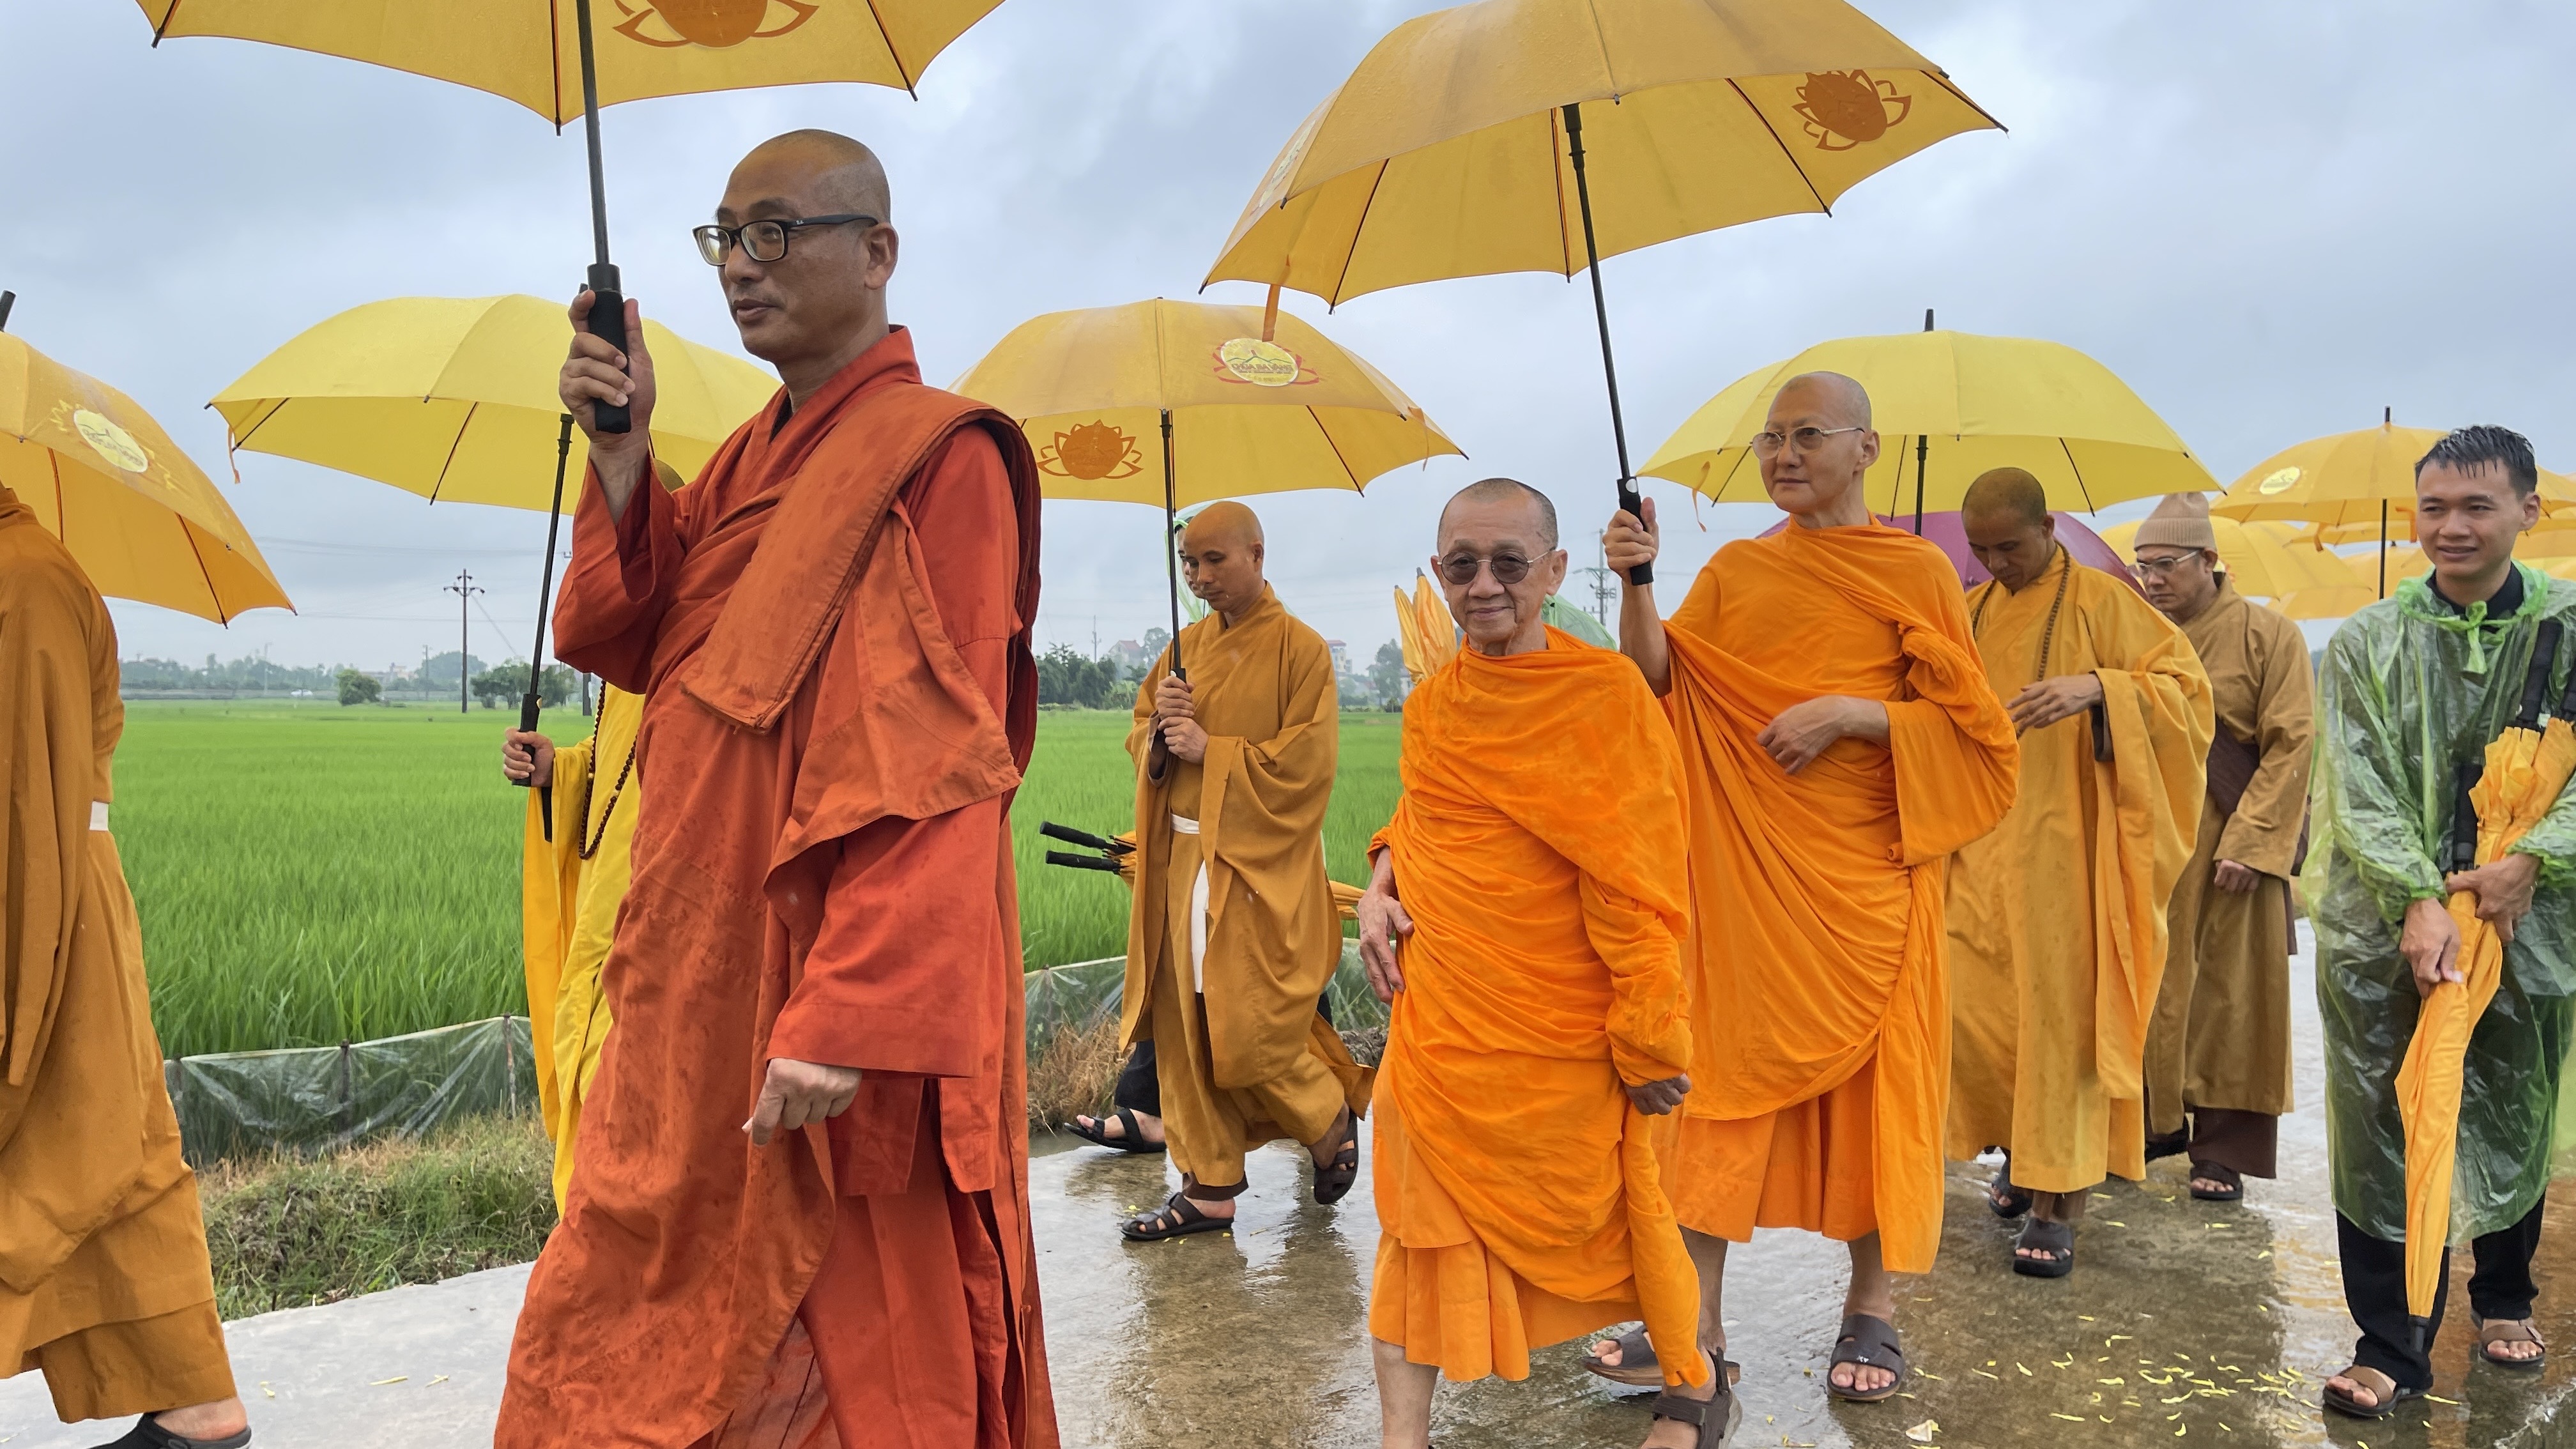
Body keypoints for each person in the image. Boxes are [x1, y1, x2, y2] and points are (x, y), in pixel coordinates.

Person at [494, 130, 1056, 1448]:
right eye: (724, 238)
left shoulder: (940, 457)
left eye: (774, 232)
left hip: (827, 985)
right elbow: (626, 633)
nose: (742, 267)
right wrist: (624, 453)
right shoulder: (747, 461)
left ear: (877, 253)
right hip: (692, 968)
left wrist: (853, 1004)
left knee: (847, 1341)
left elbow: (944, 759)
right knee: (622, 1305)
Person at [1590, 374, 2018, 1405]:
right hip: (1747, 881)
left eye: (1805, 436)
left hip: (1871, 875)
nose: (1781, 455)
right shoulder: (1737, 569)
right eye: (1769, 441)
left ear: (1866, 446)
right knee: (1718, 1087)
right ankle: (1695, 1317)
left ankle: (1869, 1304)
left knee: (1876, 1101)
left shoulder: (1916, 572)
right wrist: (1640, 580)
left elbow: (1978, 738)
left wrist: (1851, 713)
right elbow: (1659, 678)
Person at [1355, 479, 1723, 1449]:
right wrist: (1380, 880)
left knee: (1627, 1209)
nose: (1483, 587)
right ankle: (1405, 1437)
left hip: (1563, 1026)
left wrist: (1650, 1034)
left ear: (1557, 572)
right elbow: (1428, 814)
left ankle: (1689, 1386)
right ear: (1439, 574)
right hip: (1444, 1023)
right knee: (1415, 1228)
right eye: (1461, 566)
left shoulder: (1604, 698)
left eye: (1508, 565)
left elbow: (1636, 881)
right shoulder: (1435, 703)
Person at [2313, 427, 2571, 1418]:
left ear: (2525, 513)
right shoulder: (2369, 641)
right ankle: (2390, 1343)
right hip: (2384, 925)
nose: (2451, 527)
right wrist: (2418, 901)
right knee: (2383, 1118)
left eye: (2475, 507)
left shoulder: (2569, 627)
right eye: (2434, 508)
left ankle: (2503, 1296)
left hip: (2531, 915)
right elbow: (2363, 781)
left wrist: (2534, 862)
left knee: (2511, 1094)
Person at [0, 486, 252, 1449]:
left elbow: (29, 799)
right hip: (45, 895)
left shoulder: (22, 584)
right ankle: (197, 1408)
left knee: (93, 1149)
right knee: (113, 1152)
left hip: (42, 902)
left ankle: (199, 1409)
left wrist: (19, 994)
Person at [1945, 467, 2212, 1278]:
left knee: (2063, 1021)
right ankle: (2021, 1160)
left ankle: (2063, 1205)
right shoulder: (1970, 610)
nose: (1997, 564)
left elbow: (2189, 696)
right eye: (1982, 550)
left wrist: (2099, 688)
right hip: (1982, 850)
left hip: (2072, 852)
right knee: (1985, 1021)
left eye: (2012, 547)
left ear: (2050, 528)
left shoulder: (2105, 602)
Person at [1107, 501, 1370, 1240]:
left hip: (1254, 869)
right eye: (1189, 563)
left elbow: (1306, 769)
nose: (1199, 577)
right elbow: (1140, 739)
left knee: (1245, 1025)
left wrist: (1210, 750)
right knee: (1186, 1026)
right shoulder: (1182, 650)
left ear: (1258, 554)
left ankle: (1325, 1115)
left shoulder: (1302, 651)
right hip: (1181, 860)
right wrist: (1159, 731)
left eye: (1214, 560)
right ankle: (1209, 1184)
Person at [2131, 494, 2313, 1206]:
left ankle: (2223, 1150)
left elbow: (2292, 741)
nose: (2152, 580)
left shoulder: (2271, 636)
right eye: (2142, 567)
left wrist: (2252, 842)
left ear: (2209, 561)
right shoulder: (2136, 634)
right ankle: (2152, 1123)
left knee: (2235, 999)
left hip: (2234, 842)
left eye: (2166, 566)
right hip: (2152, 840)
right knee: (2149, 985)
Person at [504, 679, 645, 1210]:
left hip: (660, 926)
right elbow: (614, 762)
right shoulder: (630, 670)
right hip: (602, 914)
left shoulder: (710, 628)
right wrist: (556, 770)